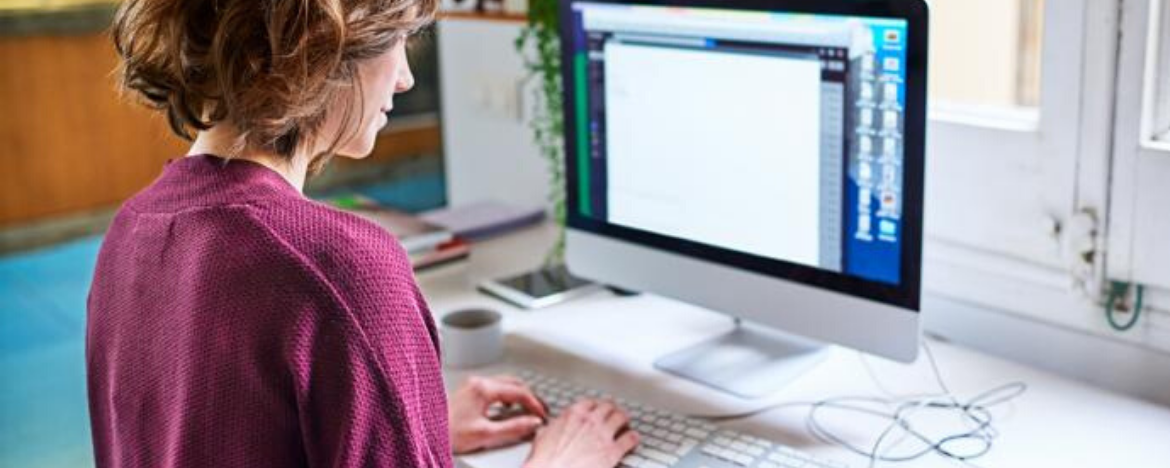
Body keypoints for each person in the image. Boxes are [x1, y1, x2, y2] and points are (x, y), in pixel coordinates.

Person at [85, 0, 640, 466]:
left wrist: (417, 430)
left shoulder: (130, 234)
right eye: (396, 40)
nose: (405, 76)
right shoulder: (337, 266)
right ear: (324, 51)